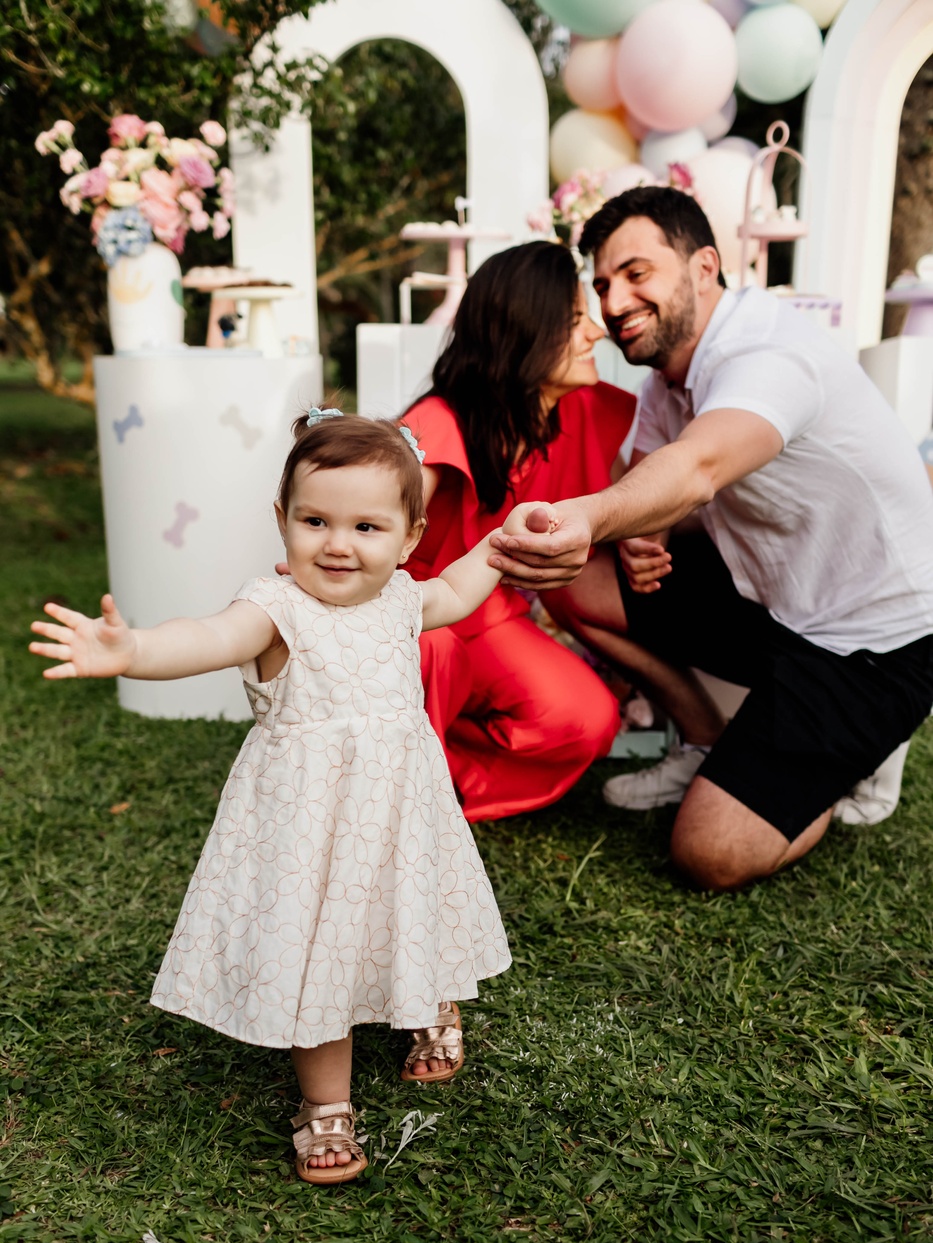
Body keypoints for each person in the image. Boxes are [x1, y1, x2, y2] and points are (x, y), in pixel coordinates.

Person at [29, 409, 545, 1186]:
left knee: (412, 904)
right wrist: (135, 649)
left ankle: (431, 1001)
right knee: (321, 953)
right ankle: (325, 1104)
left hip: (400, 813)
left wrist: (499, 544)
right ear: (283, 520)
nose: (337, 544)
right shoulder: (275, 609)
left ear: (408, 537)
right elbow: (209, 637)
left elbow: (455, 590)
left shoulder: (401, 598)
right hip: (311, 829)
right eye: (315, 521)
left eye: (366, 527)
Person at [489, 186, 933, 891]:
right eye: (601, 285)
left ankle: (845, 762)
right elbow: (647, 480)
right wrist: (640, 537)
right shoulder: (668, 377)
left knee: (708, 852)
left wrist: (592, 517)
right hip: (772, 604)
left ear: (703, 267)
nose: (613, 302)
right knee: (579, 581)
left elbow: (695, 467)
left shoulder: (768, 355)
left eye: (636, 273)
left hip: (873, 646)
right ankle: (704, 741)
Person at [402, 240, 636, 822]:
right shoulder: (435, 423)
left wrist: (644, 535)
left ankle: (448, 783)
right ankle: (397, 795)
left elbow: (635, 490)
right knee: (432, 649)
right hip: (415, 619)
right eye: (576, 318)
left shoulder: (576, 411)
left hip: (490, 618)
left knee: (588, 719)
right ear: (525, 330)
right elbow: (367, 524)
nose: (597, 332)